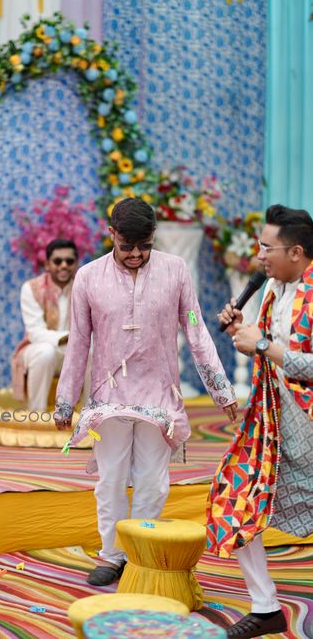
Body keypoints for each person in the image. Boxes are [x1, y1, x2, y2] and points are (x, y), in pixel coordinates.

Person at [53, 197, 237, 586]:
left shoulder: (176, 271)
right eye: (127, 246)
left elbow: (195, 326)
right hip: (109, 397)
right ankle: (111, 556)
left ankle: (140, 554)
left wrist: (222, 391)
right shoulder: (88, 277)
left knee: (153, 482)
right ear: (111, 234)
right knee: (111, 479)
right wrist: (65, 402)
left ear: (154, 236)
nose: (136, 254)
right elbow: (79, 342)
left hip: (159, 396)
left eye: (145, 246)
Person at [208, 204, 313, 638]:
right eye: (258, 246)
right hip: (274, 423)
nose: (259, 256)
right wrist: (243, 333)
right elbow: (266, 348)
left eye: (267, 248)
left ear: (296, 252)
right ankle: (266, 607)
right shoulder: (272, 288)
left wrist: (264, 344)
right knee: (236, 494)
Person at [11, 238, 80, 412]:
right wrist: (70, 337)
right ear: (47, 264)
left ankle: (87, 417)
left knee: (92, 352)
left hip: (73, 351)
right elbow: (35, 333)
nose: (64, 265)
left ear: (76, 264)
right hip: (38, 349)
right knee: (45, 352)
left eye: (69, 261)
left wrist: (79, 342)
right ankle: (37, 415)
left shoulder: (83, 288)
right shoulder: (32, 288)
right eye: (57, 261)